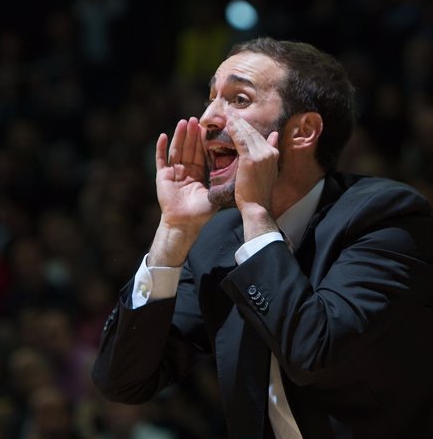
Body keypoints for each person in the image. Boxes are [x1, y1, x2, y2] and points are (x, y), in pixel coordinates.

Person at [91, 37, 433, 439]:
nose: (206, 119)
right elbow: (122, 381)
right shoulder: (217, 240)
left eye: (238, 99)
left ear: (304, 131)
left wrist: (256, 213)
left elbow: (312, 351)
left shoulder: (386, 220)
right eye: (210, 97)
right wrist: (174, 231)